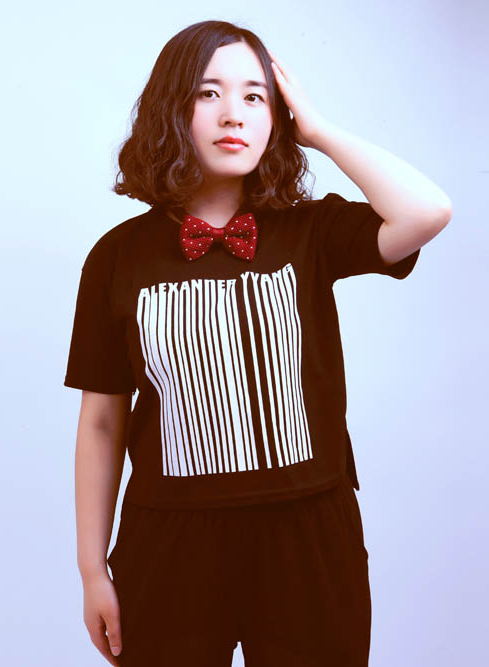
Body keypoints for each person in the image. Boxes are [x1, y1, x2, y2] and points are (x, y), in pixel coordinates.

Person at [64, 19, 452, 667]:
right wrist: (91, 569)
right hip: (170, 539)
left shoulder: (312, 231)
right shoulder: (116, 258)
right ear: (172, 107)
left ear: (279, 116)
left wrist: (319, 130)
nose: (233, 114)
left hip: (311, 532)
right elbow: (102, 422)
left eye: (255, 96)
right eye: (208, 93)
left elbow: (428, 210)